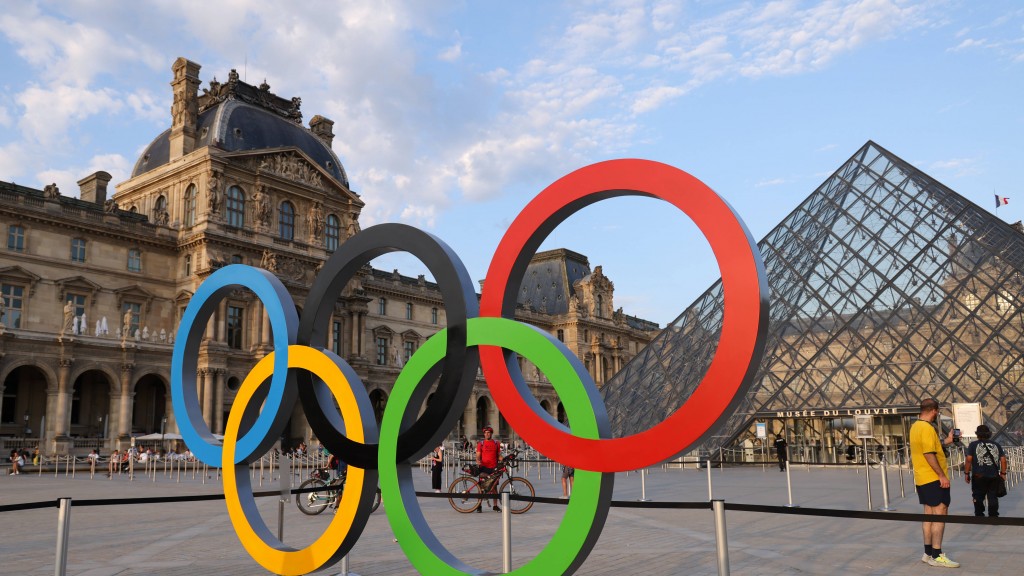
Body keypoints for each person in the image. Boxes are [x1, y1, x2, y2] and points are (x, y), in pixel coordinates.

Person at [909, 398, 959, 568]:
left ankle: (928, 553)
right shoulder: (928, 428)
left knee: (928, 515)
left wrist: (948, 441)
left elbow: (931, 447)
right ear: (935, 411)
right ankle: (937, 555)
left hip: (922, 478)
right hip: (933, 478)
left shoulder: (916, 426)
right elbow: (929, 453)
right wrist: (941, 476)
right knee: (940, 513)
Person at [965, 424, 1007, 518]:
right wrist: (1003, 473)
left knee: (978, 496)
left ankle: (979, 514)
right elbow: (1003, 460)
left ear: (977, 434)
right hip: (994, 475)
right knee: (992, 496)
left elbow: (968, 460)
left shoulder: (973, 445)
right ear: (989, 434)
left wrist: (966, 473)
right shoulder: (996, 445)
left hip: (978, 476)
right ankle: (993, 515)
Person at [476, 426, 502, 512]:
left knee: (494, 487)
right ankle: (479, 506)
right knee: (481, 487)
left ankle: (495, 505)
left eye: (489, 433)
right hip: (483, 467)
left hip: (494, 467)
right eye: (486, 433)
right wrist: (478, 460)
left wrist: (505, 459)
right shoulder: (481, 443)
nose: (487, 434)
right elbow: (478, 455)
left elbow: (498, 455)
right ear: (484, 434)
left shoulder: (496, 443)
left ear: (491, 434)